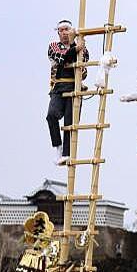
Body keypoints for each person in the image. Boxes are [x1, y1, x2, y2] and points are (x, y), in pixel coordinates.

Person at [46, 20, 89, 165]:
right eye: (61, 30)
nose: (64, 32)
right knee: (51, 115)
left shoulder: (82, 48)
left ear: (72, 31)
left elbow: (83, 67)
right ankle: (57, 146)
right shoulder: (53, 47)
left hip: (74, 87)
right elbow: (62, 58)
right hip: (58, 87)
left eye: (67, 29)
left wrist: (76, 48)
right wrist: (75, 49)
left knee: (70, 122)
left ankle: (67, 153)